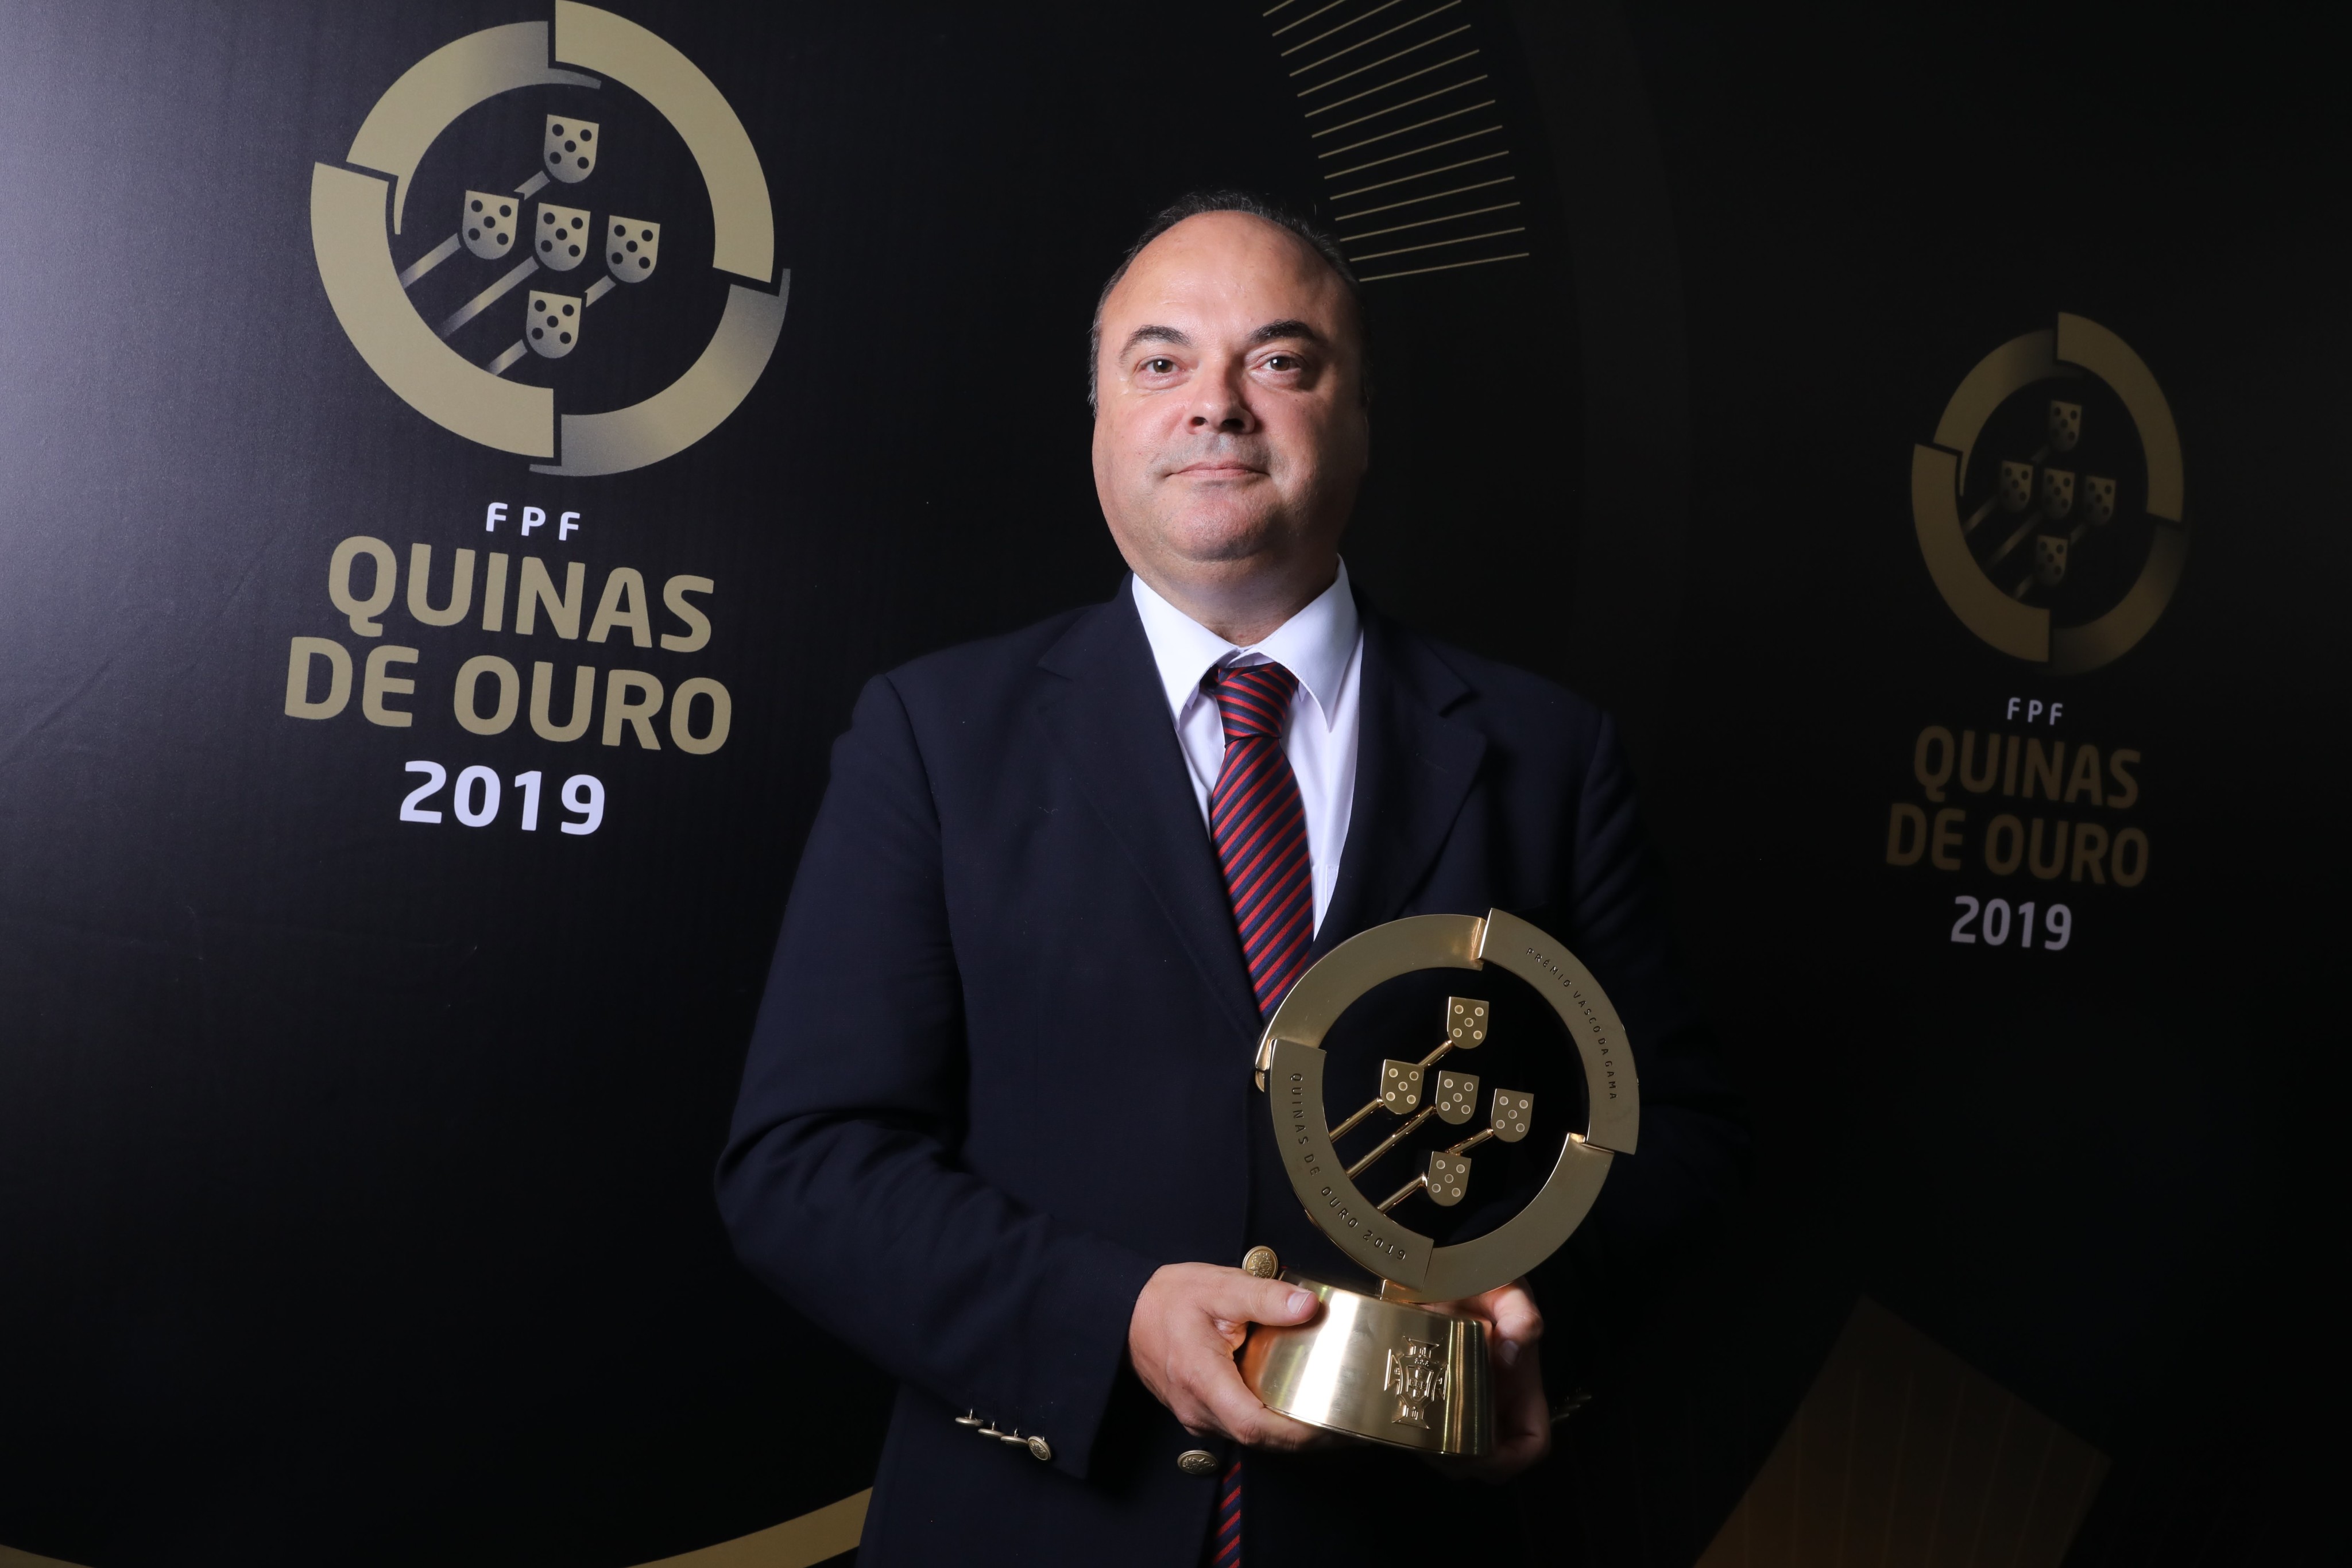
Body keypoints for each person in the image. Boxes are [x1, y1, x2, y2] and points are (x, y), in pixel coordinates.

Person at [718, 191, 1745, 1566]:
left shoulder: (1549, 758)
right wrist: (1112, 1316)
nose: (1215, 403)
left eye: (1278, 359)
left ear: (1358, 417)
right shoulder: (935, 736)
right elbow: (806, 1163)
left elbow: (1672, 1137)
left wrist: (1510, 1311)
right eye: (1160, 361)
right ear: (1100, 420)